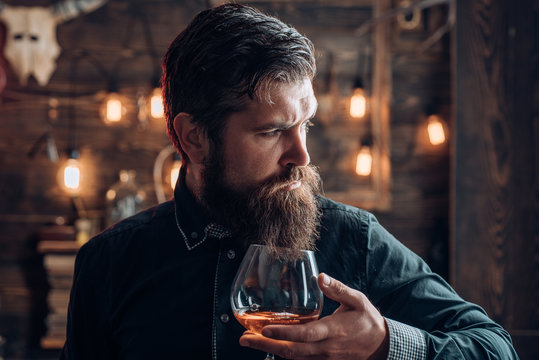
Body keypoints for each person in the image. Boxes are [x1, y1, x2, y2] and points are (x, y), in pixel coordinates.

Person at [61, 4, 519, 360]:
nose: (301, 155)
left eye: (306, 125)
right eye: (272, 131)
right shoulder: (109, 264)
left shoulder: (354, 238)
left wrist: (385, 346)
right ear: (194, 138)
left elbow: (495, 347)